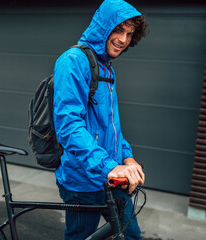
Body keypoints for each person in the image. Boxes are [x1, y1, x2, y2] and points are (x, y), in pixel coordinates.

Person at [52, 0, 148, 239]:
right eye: (118, 30)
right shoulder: (73, 61)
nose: (123, 40)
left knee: (131, 236)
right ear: (103, 27)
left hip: (110, 178)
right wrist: (111, 167)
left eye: (129, 34)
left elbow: (111, 127)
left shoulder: (107, 68)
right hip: (83, 181)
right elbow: (69, 126)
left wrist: (127, 157)